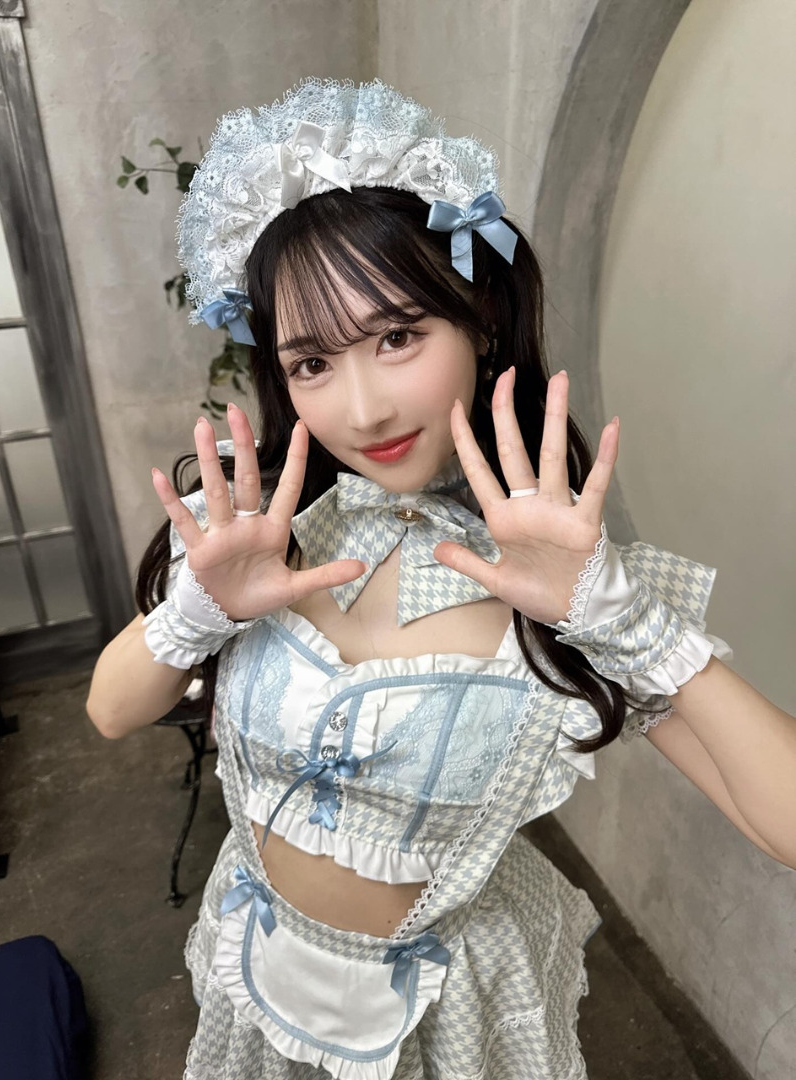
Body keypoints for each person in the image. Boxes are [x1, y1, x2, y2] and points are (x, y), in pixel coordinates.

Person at [86, 78, 796, 1080]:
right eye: (312, 363)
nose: (364, 409)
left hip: (453, 1012)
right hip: (255, 966)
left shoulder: (567, 583)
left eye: (398, 337)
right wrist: (196, 612)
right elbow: (110, 713)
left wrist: (624, 621)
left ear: (481, 321)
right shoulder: (256, 534)